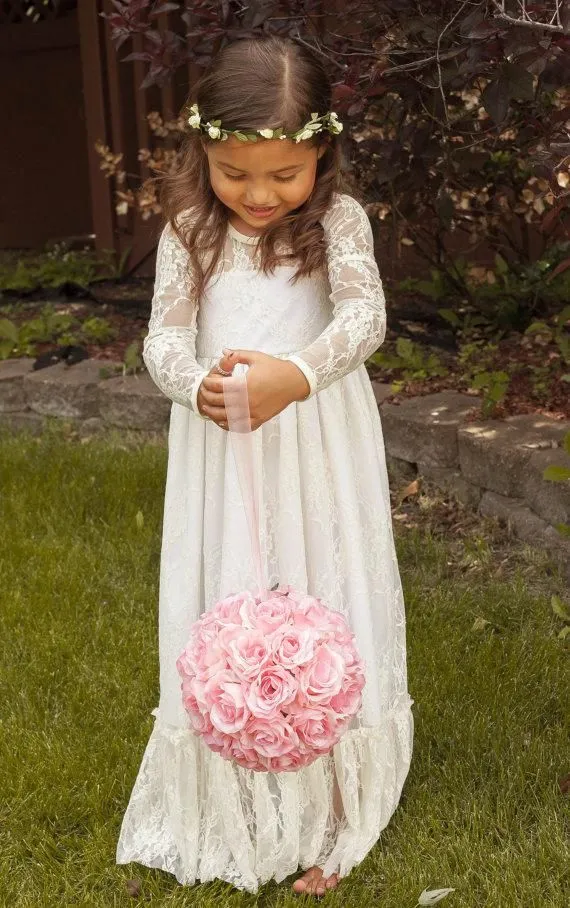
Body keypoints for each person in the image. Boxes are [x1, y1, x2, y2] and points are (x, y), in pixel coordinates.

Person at [116, 34, 414, 898]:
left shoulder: (340, 224)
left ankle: (330, 800)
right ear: (203, 152)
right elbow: (164, 338)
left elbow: (365, 321)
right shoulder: (188, 231)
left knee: (323, 590)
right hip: (227, 446)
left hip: (316, 438)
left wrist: (300, 373)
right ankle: (235, 782)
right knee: (235, 591)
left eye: (283, 174)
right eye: (233, 171)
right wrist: (192, 383)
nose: (256, 194)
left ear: (321, 153)